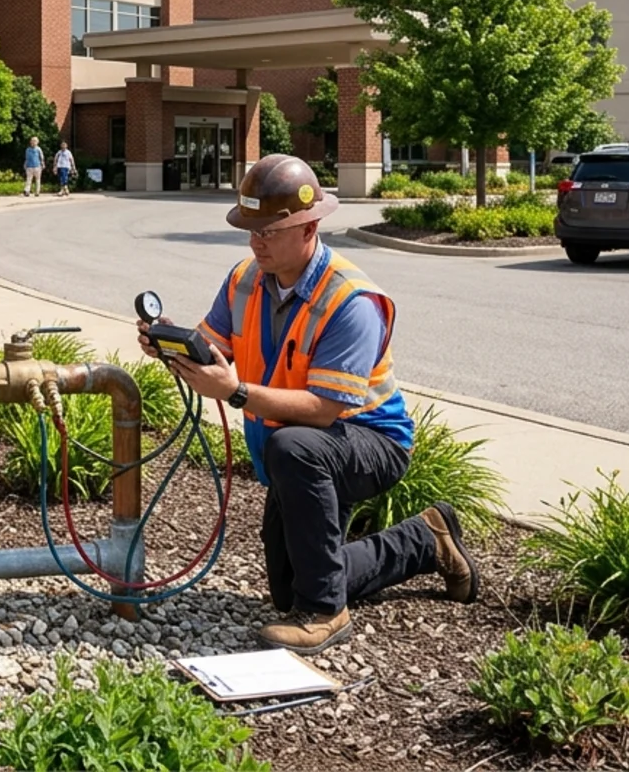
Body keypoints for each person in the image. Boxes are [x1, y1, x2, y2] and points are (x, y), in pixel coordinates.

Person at [137, 154, 478, 655]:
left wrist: (235, 392)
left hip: (368, 441)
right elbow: (217, 350)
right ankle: (427, 540)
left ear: (309, 227)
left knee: (296, 450)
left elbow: (322, 410)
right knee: (287, 588)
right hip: (299, 446)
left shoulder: (352, 302)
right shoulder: (244, 279)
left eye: (269, 231)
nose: (256, 241)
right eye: (250, 229)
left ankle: (326, 612)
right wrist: (173, 347)